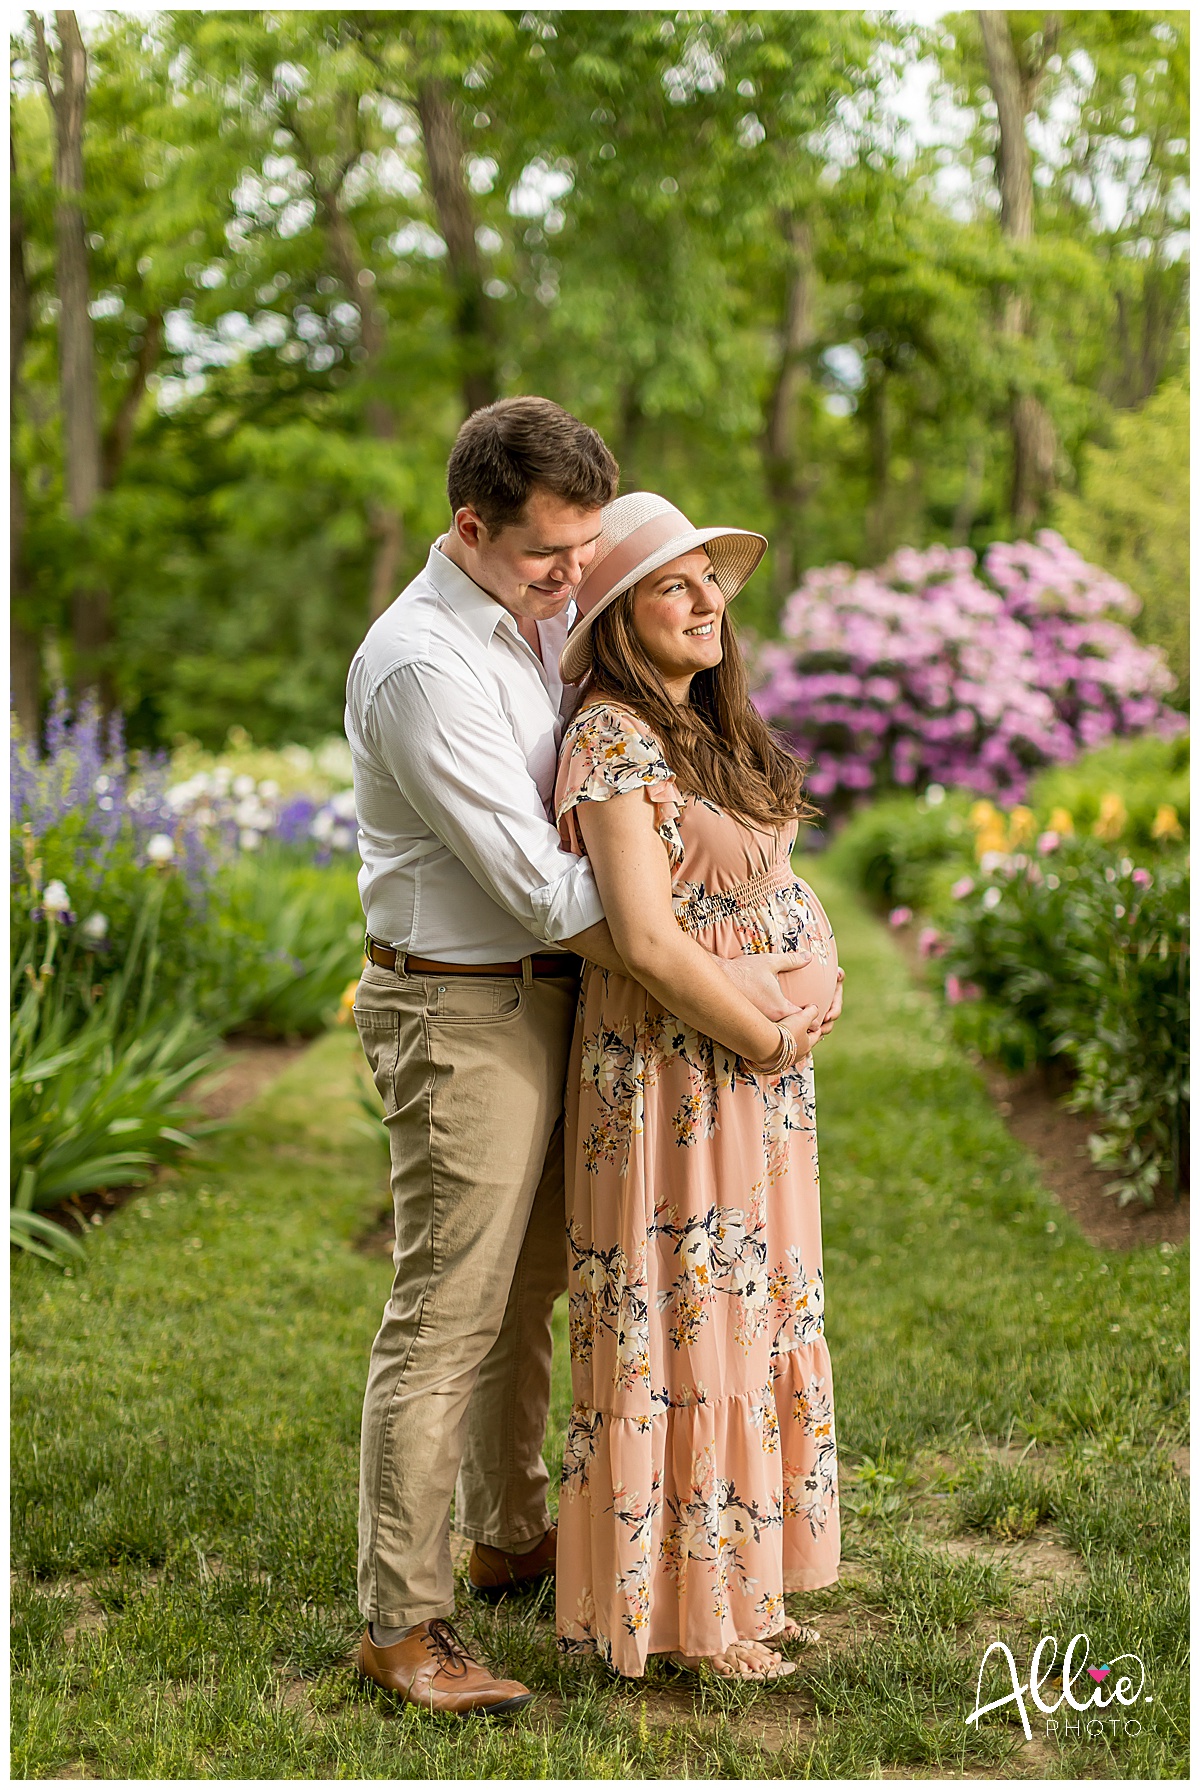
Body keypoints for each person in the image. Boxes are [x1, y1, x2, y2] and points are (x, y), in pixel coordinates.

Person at [343, 402, 813, 1716]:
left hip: (562, 1002)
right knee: (449, 1309)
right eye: (553, 554)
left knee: (533, 1286)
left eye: (586, 550)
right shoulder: (422, 665)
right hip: (465, 1005)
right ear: (471, 530)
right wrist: (722, 977)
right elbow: (544, 885)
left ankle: (508, 1531)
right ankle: (401, 1617)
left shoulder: (533, 620)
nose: (574, 579)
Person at [552, 492, 844, 1682]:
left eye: (711, 579)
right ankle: (687, 1613)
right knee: (684, 1319)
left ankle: (744, 1581)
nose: (709, 600)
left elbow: (761, 880)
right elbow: (651, 939)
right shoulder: (611, 739)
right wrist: (771, 1034)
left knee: (747, 1306)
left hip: (753, 1084)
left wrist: (809, 976)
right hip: (677, 1069)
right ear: (621, 615)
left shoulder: (707, 725)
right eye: (676, 584)